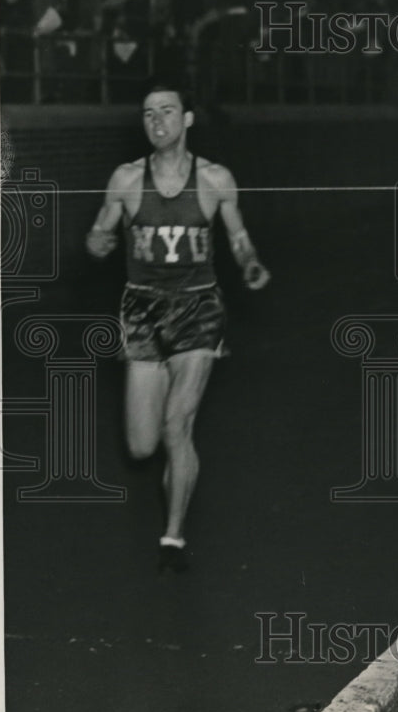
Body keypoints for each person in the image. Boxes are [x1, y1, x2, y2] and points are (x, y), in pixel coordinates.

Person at [85, 84, 270, 572]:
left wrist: (250, 264)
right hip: (142, 311)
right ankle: (175, 480)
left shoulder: (213, 178)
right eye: (148, 113)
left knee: (177, 423)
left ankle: (174, 536)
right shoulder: (125, 180)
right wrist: (99, 242)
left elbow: (240, 239)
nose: (157, 121)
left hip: (198, 310)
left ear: (187, 119)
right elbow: (99, 231)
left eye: (167, 112)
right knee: (143, 446)